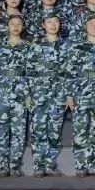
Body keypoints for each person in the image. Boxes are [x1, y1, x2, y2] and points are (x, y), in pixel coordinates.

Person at [0, 14, 33, 177]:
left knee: (19, 132)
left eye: (19, 24)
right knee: (1, 131)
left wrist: (29, 95)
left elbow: (32, 73)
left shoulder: (29, 47)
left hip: (21, 96)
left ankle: (14, 165)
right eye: (12, 23)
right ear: (7, 26)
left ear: (23, 27)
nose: (15, 27)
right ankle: (2, 166)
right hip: (1, 94)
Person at [66, 14, 95, 176]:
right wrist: (69, 95)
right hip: (81, 94)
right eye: (91, 23)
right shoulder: (77, 47)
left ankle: (93, 164)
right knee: (81, 130)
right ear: (85, 26)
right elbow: (69, 73)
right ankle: (81, 165)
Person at [30, 14, 68, 177]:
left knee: (54, 130)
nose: (53, 24)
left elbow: (70, 72)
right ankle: (38, 165)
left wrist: (68, 94)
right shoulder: (36, 45)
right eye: (49, 22)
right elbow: (29, 71)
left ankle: (50, 164)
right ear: (43, 25)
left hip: (59, 93)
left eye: (56, 21)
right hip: (39, 94)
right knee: (38, 129)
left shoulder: (66, 45)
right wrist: (29, 93)